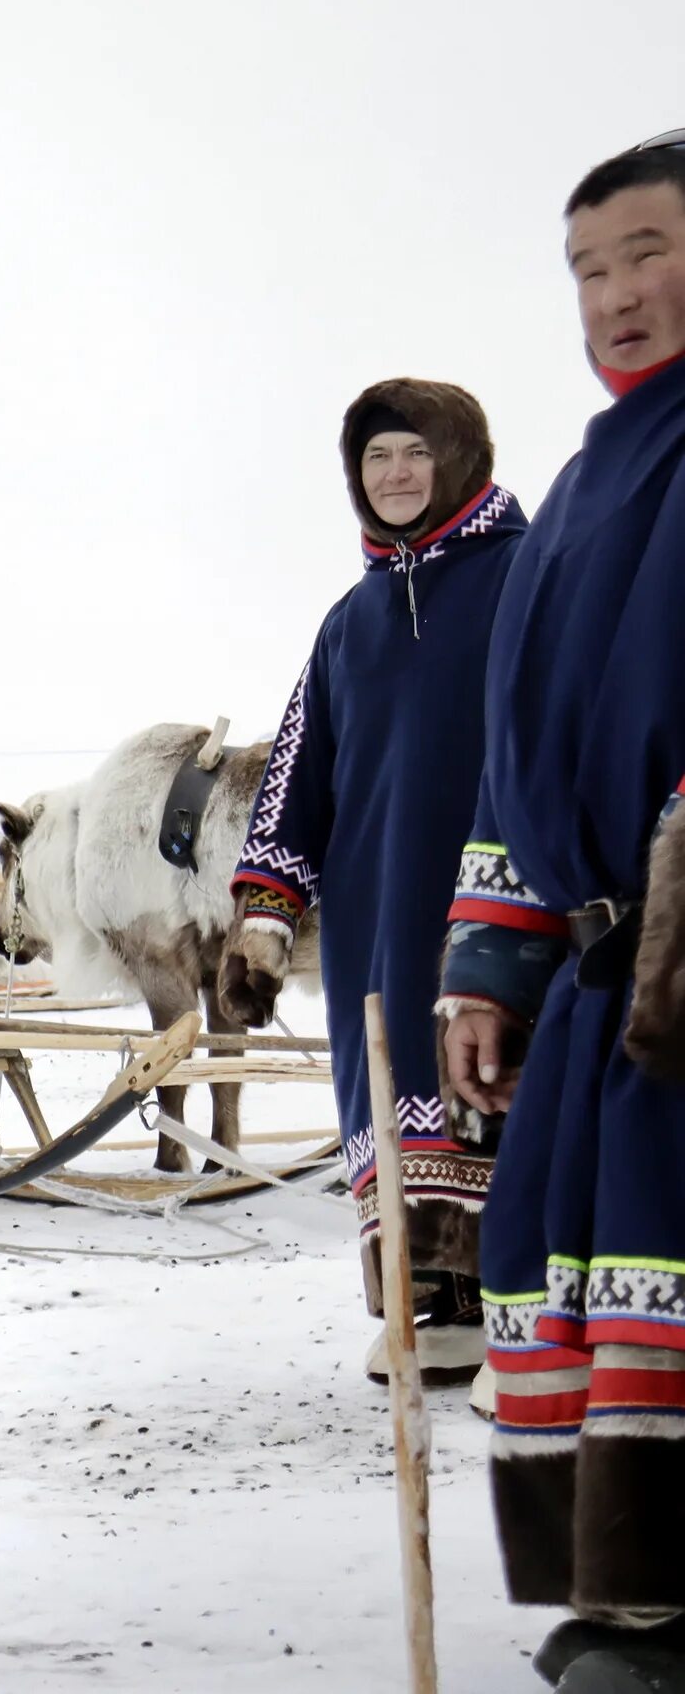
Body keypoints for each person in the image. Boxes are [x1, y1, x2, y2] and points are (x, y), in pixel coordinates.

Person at [439, 133, 685, 1694]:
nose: (615, 293)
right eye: (587, 270)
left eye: (649, 250)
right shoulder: (589, 482)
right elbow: (516, 746)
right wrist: (492, 964)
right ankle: (640, 1607)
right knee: (604, 1259)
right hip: (611, 987)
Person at [219, 382, 526, 1390]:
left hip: (501, 893)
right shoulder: (348, 623)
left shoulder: (527, 579)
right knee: (393, 1086)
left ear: (459, 459)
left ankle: (513, 1300)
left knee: (494, 1077)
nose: (393, 474)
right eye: (375, 457)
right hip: (375, 914)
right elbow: (297, 781)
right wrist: (265, 920)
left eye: (413, 452)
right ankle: (428, 1297)